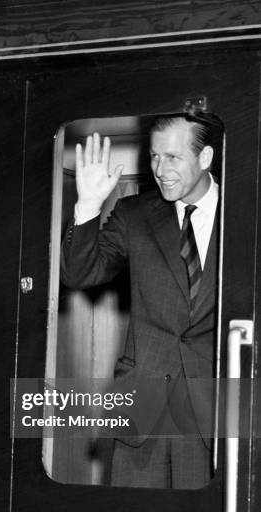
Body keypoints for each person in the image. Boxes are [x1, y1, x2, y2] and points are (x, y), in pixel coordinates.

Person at [61, 114, 220, 489]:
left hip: (215, 415)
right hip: (141, 408)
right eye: (154, 157)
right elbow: (81, 275)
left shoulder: (248, 213)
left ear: (206, 157)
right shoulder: (134, 214)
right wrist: (87, 206)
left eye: (173, 157)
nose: (160, 170)